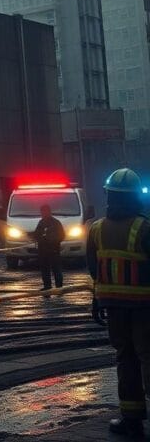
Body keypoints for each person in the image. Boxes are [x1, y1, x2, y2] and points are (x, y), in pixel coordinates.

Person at [87, 168, 150, 438]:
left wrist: (98, 299)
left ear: (108, 195)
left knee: (125, 360)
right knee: (149, 358)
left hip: (113, 306)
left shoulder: (96, 229)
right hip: (145, 308)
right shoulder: (145, 228)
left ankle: (131, 419)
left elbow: (93, 268)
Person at [31, 204, 65, 291]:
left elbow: (62, 236)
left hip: (53, 251)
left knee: (56, 269)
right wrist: (36, 237)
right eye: (42, 212)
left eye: (45, 212)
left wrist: (52, 240)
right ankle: (47, 286)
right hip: (43, 251)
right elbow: (36, 234)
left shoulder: (56, 223)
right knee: (45, 270)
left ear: (49, 212)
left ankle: (59, 287)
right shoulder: (41, 223)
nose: (43, 214)